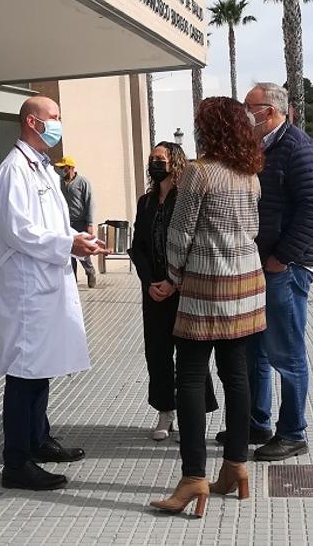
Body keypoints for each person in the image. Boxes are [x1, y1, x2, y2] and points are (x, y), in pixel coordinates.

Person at [149, 97, 266, 518]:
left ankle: (192, 477)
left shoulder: (199, 174)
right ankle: (236, 465)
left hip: (206, 286)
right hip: (247, 284)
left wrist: (173, 278)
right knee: (236, 375)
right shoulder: (249, 174)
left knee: (191, 379)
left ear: (211, 129)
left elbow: (178, 236)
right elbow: (253, 228)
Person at [0, 96, 106, 491]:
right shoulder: (13, 170)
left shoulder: (41, 168)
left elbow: (51, 223)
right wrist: (68, 245)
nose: (59, 123)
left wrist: (77, 238)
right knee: (25, 373)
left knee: (42, 369)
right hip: (28, 289)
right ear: (32, 122)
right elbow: (19, 231)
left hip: (47, 281)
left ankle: (38, 440)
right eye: (53, 117)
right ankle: (16, 462)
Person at [237, 82, 313, 462]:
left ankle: (292, 431)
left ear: (270, 111)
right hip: (262, 266)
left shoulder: (297, 147)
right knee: (256, 349)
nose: (244, 115)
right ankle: (258, 422)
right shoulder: (262, 148)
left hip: (284, 268)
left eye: (249, 108)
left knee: (286, 352)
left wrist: (283, 258)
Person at [128, 142, 217, 442]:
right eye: (152, 158)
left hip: (184, 289)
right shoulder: (146, 202)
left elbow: (195, 243)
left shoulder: (187, 199)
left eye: (160, 159)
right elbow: (137, 245)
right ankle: (165, 411)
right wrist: (149, 281)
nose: (155, 163)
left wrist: (173, 281)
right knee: (157, 353)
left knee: (190, 354)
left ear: (175, 162)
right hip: (153, 291)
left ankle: (195, 415)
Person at [55, 156, 97, 289]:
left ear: (71, 167)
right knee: (69, 251)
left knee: (83, 250)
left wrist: (89, 223)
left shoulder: (82, 182)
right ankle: (72, 279)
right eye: (61, 168)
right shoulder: (60, 183)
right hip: (66, 223)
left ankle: (90, 272)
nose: (63, 170)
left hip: (80, 221)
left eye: (64, 167)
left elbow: (89, 202)